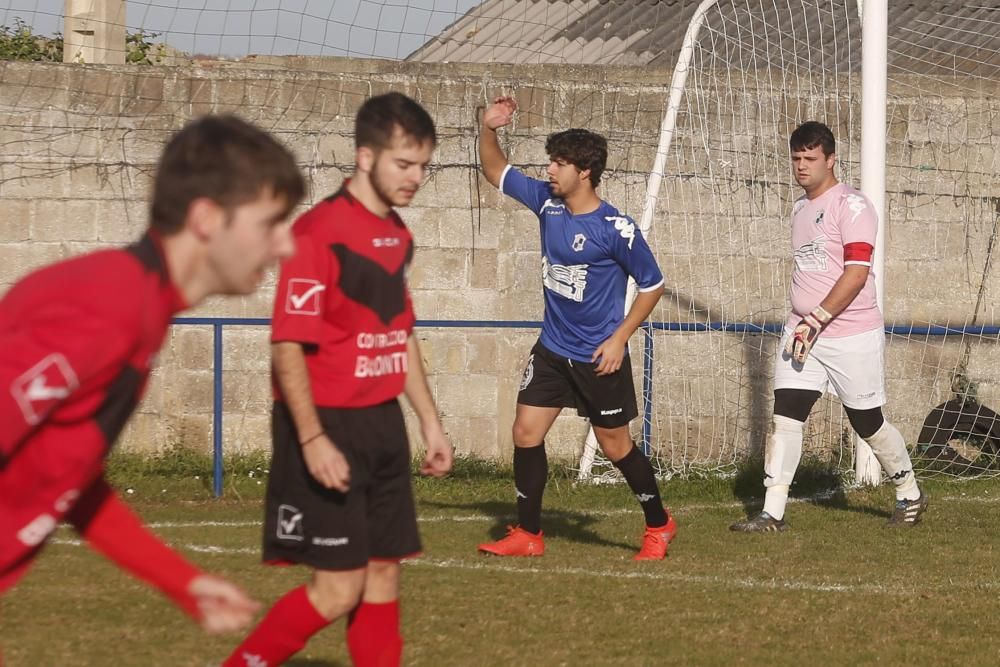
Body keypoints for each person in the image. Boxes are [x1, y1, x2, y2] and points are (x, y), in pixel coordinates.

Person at [0, 115, 305, 641]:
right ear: (208, 218)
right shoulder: (107, 307)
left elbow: (68, 479)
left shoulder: (140, 305)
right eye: (271, 222)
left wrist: (183, 582)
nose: (287, 245)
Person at [223, 92, 453, 667]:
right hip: (325, 425)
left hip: (381, 423)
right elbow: (287, 344)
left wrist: (430, 421)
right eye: (405, 164)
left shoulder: (397, 235)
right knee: (337, 589)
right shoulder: (318, 233)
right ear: (366, 157)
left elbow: (399, 333)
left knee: (382, 575)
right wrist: (312, 438)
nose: (416, 177)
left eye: (424, 165)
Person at [475, 96, 675, 561]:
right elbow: (496, 171)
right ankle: (528, 534)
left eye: (559, 163)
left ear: (584, 172)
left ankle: (660, 525)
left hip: (596, 357)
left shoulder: (615, 228)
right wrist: (488, 129)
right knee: (526, 432)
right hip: (552, 350)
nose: (549, 170)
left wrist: (620, 337)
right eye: (550, 161)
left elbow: (653, 284)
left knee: (615, 447)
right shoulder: (548, 204)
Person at [730, 121, 927, 533]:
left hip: (849, 333)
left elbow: (856, 274)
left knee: (867, 422)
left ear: (831, 160)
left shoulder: (852, 206)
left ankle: (909, 493)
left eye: (810, 158)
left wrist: (818, 319)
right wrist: (805, 323)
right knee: (787, 415)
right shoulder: (800, 208)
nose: (801, 166)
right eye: (796, 158)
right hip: (803, 333)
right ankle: (772, 513)